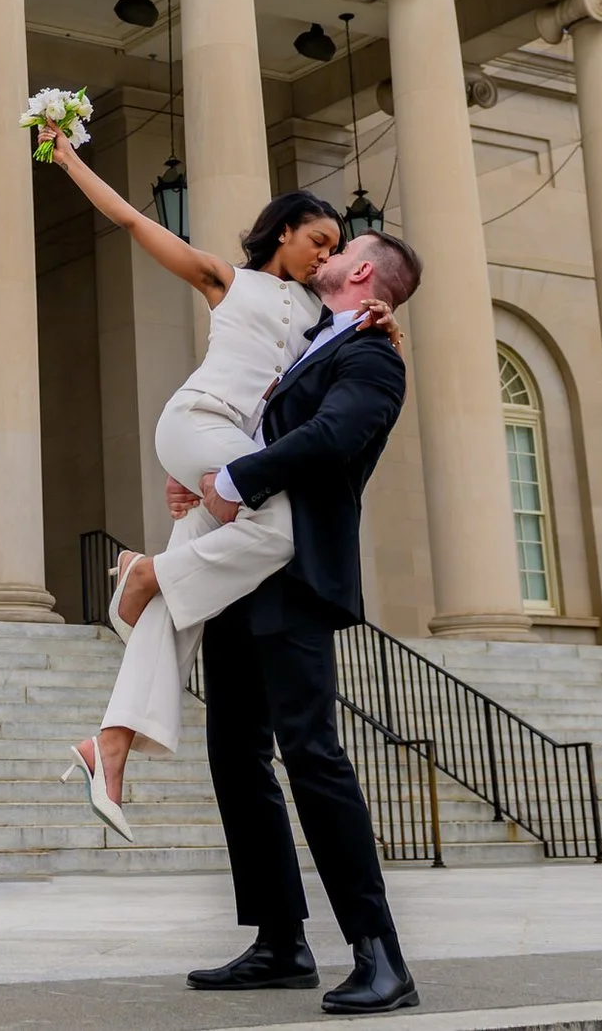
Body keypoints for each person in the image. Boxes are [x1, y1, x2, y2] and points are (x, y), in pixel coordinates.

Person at [32, 126, 391, 843]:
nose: (325, 254)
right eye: (317, 240)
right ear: (283, 231)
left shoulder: (323, 319)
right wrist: (67, 157)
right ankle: (146, 571)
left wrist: (383, 317)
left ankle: (110, 746)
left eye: (334, 249)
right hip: (199, 422)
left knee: (180, 606)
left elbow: (343, 365)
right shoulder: (227, 280)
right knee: (282, 531)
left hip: (237, 459)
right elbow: (133, 221)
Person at [181, 228, 425, 1016]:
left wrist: (234, 478)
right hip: (243, 568)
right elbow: (265, 425)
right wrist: (203, 477)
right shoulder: (316, 341)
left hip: (297, 571)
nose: (324, 255)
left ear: (363, 270)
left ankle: (380, 954)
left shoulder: (374, 356)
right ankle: (280, 941)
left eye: (340, 248)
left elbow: (332, 437)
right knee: (234, 751)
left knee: (312, 752)